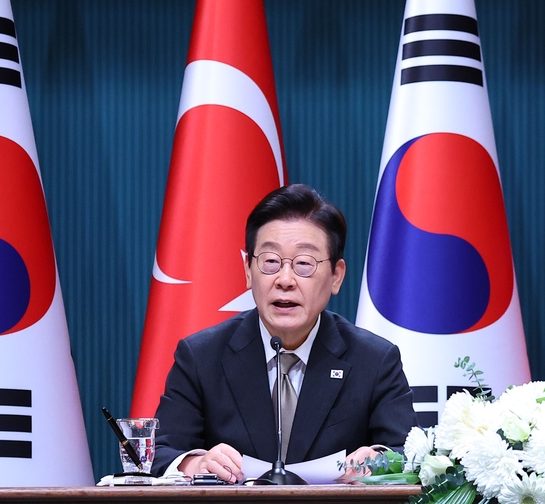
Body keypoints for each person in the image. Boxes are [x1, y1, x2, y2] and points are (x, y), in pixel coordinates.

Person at [151, 184, 415, 483]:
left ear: (336, 276)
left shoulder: (373, 360)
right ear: (248, 270)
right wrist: (195, 463)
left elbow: (409, 453)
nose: (285, 279)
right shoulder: (202, 356)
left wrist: (381, 461)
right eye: (271, 262)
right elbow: (160, 453)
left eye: (304, 263)